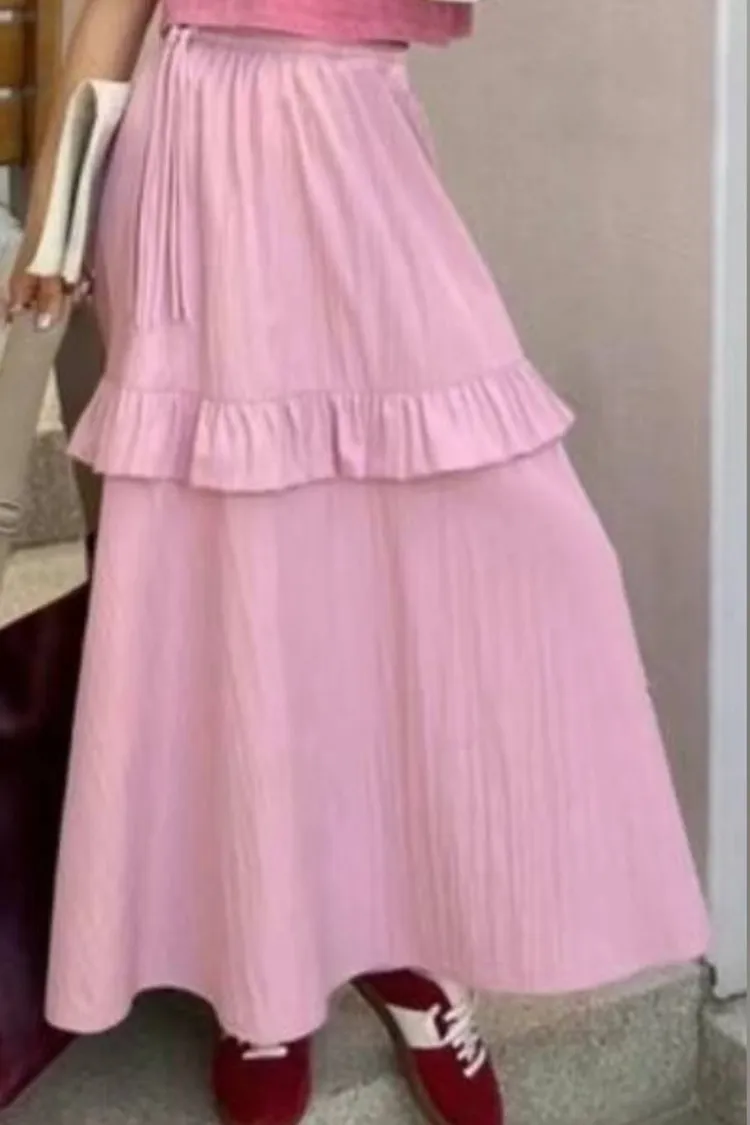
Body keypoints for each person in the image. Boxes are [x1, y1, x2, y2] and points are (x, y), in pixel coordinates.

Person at [7, 2, 710, 1124]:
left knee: (459, 546)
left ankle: (408, 938)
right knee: (237, 572)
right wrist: (54, 217)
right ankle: (263, 980)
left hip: (362, 127)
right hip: (199, 143)